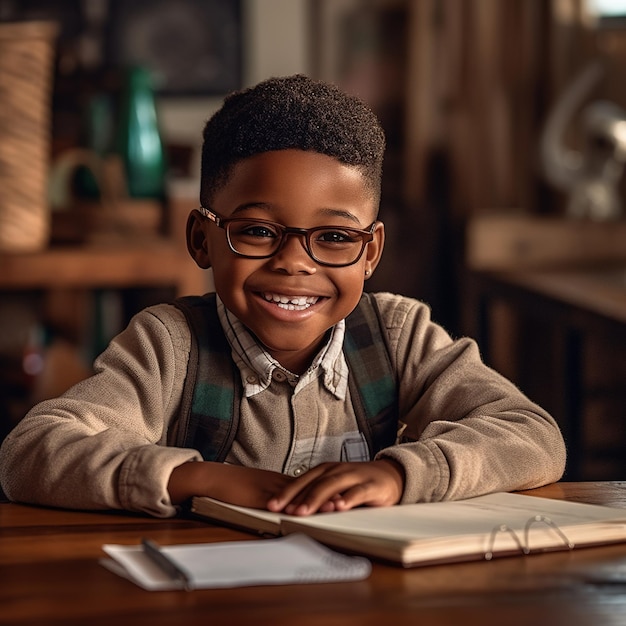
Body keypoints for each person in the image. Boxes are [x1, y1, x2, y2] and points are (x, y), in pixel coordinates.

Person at [0, 75, 566, 518]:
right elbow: (30, 453)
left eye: (336, 237)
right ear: (203, 238)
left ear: (371, 252)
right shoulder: (169, 347)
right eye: (257, 231)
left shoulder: (399, 336)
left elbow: (533, 436)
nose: (294, 261)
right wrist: (196, 478)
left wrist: (402, 474)